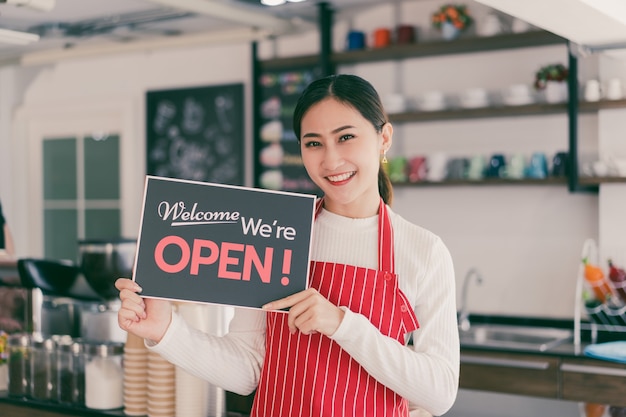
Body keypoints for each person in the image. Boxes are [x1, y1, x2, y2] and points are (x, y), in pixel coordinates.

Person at [116, 74, 459, 417]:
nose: (331, 160)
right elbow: (248, 369)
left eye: (346, 137)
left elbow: (440, 392)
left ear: (383, 138)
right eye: (314, 143)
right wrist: (165, 330)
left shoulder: (423, 251)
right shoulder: (274, 232)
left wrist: (343, 325)